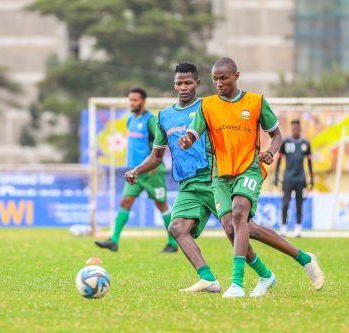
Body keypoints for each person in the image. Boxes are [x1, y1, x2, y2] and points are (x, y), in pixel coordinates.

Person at [126, 63, 323, 297]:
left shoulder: (210, 105)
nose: (184, 87)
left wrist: (265, 151)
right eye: (179, 83)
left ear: (198, 84)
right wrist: (137, 170)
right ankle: (213, 278)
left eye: (188, 82)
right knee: (179, 228)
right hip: (190, 184)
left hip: (216, 175)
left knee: (241, 225)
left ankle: (265, 273)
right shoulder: (166, 116)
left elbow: (258, 133)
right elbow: (158, 155)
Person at [95, 88, 178, 253]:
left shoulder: (150, 120)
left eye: (135, 100)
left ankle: (173, 243)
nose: (132, 103)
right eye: (130, 100)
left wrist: (155, 164)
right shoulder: (130, 120)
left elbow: (162, 141)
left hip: (151, 172)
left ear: (143, 101)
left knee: (161, 204)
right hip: (134, 172)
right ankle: (114, 240)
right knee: (125, 201)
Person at [274, 120, 314, 237]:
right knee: (285, 204)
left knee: (299, 204)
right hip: (288, 179)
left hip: (301, 179)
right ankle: (283, 228)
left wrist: (311, 178)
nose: (295, 130)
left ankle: (298, 229)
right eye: (293, 128)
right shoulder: (286, 142)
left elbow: (310, 163)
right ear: (291, 129)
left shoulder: (305, 143)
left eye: (297, 128)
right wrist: (276, 176)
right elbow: (279, 160)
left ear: (300, 129)